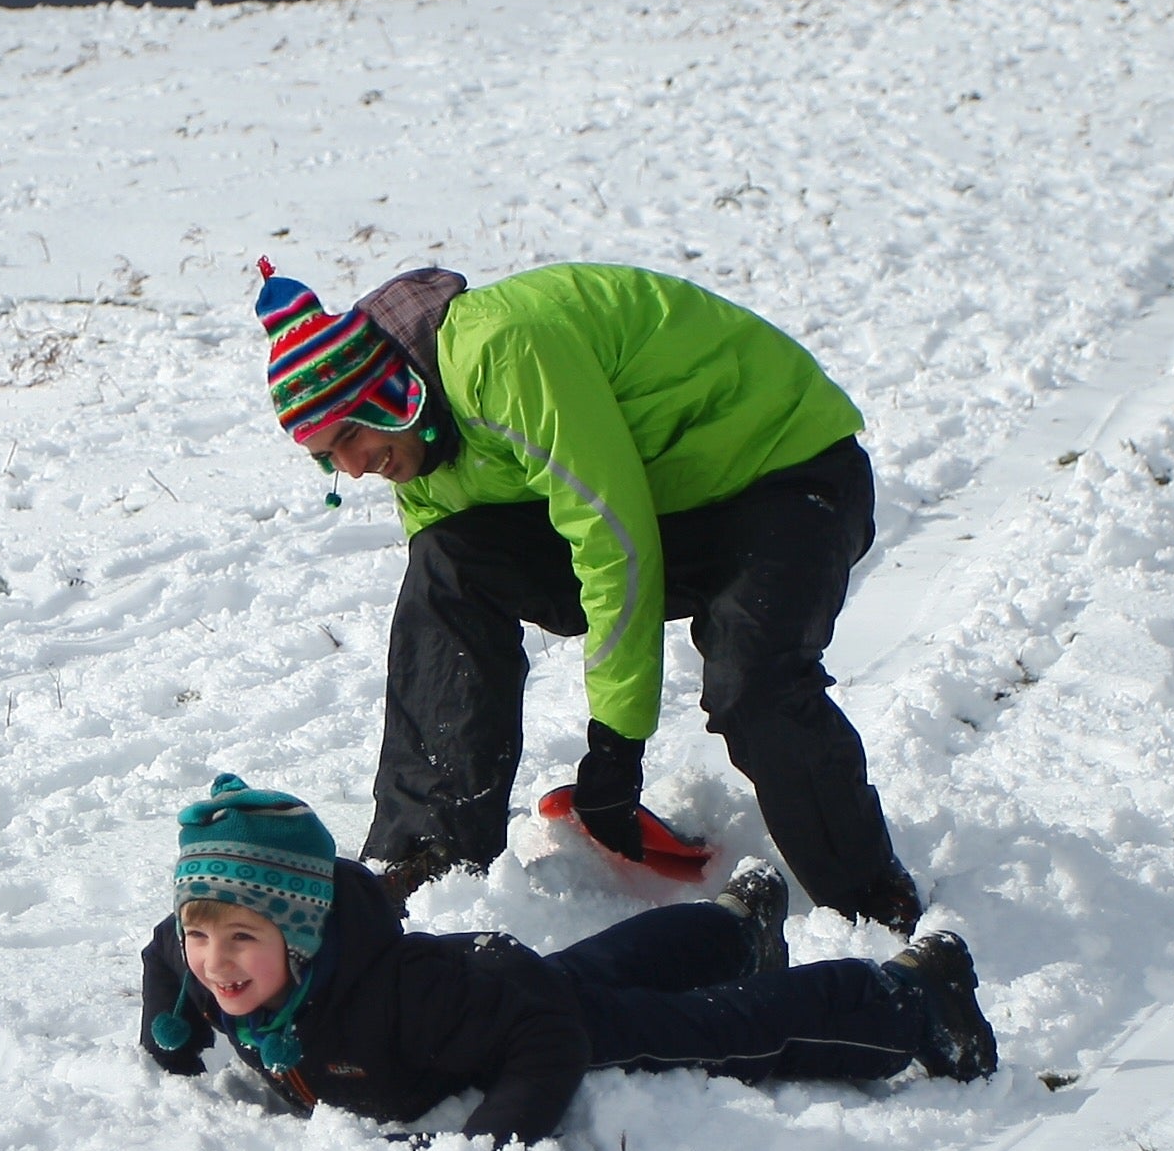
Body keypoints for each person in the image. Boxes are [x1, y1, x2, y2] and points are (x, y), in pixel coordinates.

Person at [255, 257, 921, 928]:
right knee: (447, 565)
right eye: (326, 456)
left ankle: (870, 904)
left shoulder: (501, 351)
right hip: (666, 502)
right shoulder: (417, 450)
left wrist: (616, 747)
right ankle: (430, 860)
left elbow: (612, 536)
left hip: (784, 470)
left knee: (753, 683)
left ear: (388, 391)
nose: (352, 468)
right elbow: (449, 621)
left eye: (350, 434)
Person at [139, 775, 996, 1148]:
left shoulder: (399, 999)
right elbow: (166, 954)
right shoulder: (214, 966)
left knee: (715, 1030)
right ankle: (735, 929)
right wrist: (168, 1034)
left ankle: (912, 995)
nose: (216, 963)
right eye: (202, 934)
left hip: (519, 1009)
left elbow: (546, 1039)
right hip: (502, 983)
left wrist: (489, 1139)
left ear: (301, 933)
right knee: (599, 964)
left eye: (241, 938)